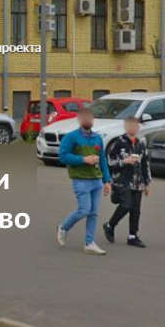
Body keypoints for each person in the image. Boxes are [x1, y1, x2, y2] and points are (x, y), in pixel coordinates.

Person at [56, 106, 112, 255]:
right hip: (80, 179)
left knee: (93, 213)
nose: (88, 120)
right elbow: (63, 156)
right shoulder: (71, 137)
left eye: (90, 117)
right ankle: (63, 227)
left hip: (96, 180)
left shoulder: (97, 138)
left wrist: (107, 181)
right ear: (79, 119)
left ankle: (89, 243)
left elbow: (102, 160)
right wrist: (83, 159)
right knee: (84, 210)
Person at [103, 117, 151, 247]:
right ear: (126, 127)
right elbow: (110, 162)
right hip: (122, 181)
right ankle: (110, 225)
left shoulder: (141, 143)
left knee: (136, 210)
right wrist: (124, 161)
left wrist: (147, 183)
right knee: (126, 205)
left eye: (136, 126)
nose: (133, 128)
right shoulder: (118, 142)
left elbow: (145, 163)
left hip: (138, 182)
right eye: (131, 126)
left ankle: (132, 236)